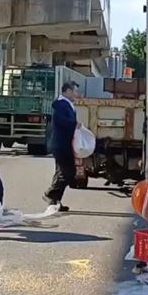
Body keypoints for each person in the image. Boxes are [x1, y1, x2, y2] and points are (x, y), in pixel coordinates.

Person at [43, 81, 81, 211]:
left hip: (63, 144)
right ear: (68, 91)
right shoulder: (61, 104)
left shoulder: (67, 104)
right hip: (60, 144)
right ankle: (50, 193)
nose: (76, 94)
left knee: (60, 172)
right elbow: (61, 121)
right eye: (75, 91)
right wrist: (74, 124)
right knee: (67, 172)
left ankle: (54, 202)